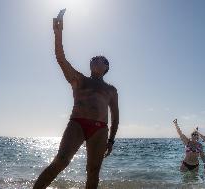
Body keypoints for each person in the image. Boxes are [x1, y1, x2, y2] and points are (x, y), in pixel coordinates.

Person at [33, 10, 119, 189]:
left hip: (100, 130)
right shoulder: (79, 80)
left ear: (106, 67)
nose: (95, 60)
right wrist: (58, 34)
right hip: (78, 123)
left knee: (93, 170)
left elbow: (115, 116)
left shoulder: (111, 90)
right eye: (93, 59)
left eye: (100, 59)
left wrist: (111, 140)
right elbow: (61, 58)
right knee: (61, 161)